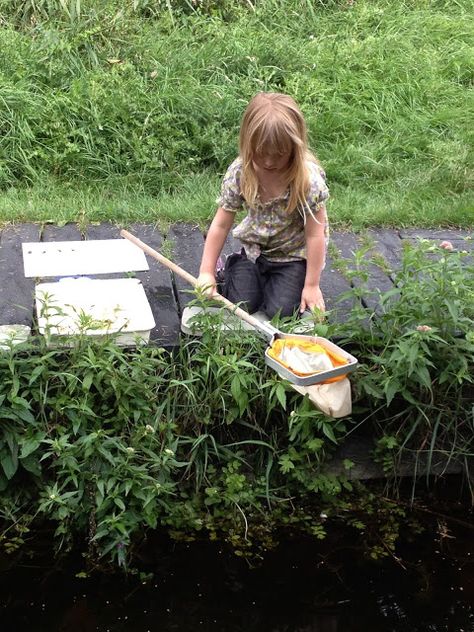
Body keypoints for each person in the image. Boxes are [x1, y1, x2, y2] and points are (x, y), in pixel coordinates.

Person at [197, 92, 329, 319]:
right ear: (248, 143)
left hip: (291, 258)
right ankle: (226, 269)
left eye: (279, 155)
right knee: (241, 305)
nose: (269, 162)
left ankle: (289, 286)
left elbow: (316, 235)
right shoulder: (240, 172)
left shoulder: (308, 182)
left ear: (295, 148)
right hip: (253, 254)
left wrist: (312, 285)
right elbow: (220, 224)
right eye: (261, 153)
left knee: (282, 311)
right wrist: (206, 272)